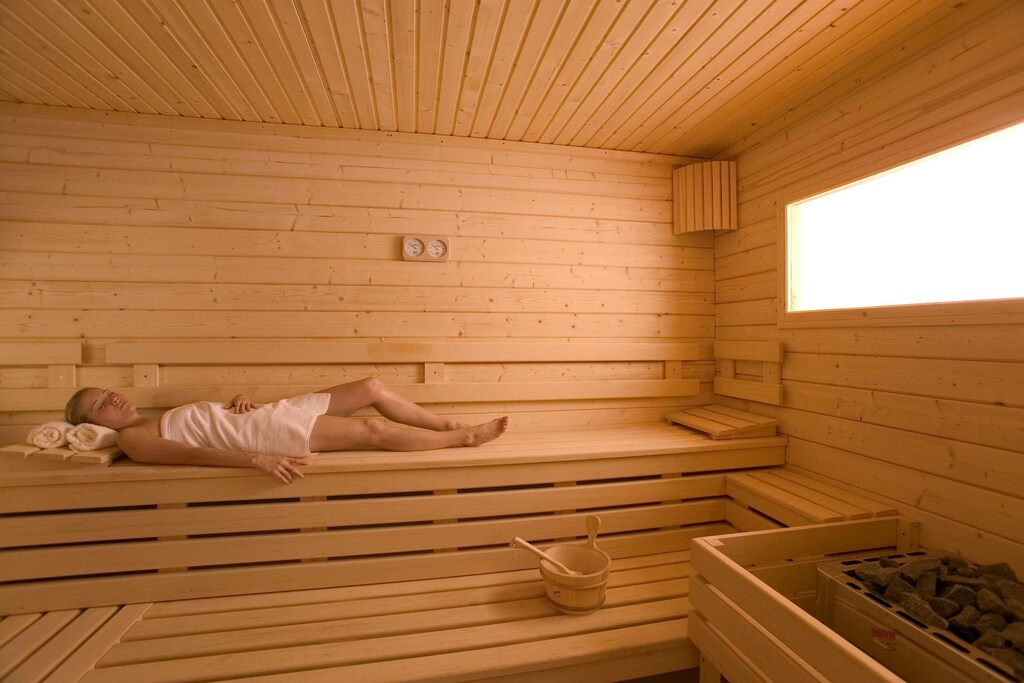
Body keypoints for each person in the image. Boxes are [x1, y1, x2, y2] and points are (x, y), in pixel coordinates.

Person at [64, 377, 509, 484]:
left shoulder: (156, 417)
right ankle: (463, 437)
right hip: (262, 436)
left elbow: (209, 422)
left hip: (267, 413)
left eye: (109, 392)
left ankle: (447, 423)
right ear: (92, 427)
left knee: (371, 387)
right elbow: (193, 455)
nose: (113, 399)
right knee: (372, 429)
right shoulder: (134, 439)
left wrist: (238, 399)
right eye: (100, 405)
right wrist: (255, 459)